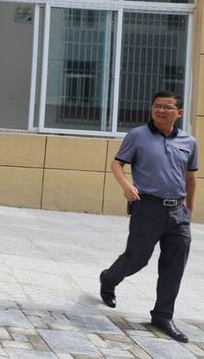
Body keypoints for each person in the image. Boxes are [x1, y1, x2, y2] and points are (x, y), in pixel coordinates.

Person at [100, 91, 197, 343]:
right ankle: (108, 279)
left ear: (179, 113)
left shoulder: (189, 141)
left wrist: (189, 209)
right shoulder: (138, 135)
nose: (160, 110)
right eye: (157, 106)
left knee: (174, 265)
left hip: (178, 212)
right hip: (147, 208)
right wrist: (126, 186)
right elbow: (117, 164)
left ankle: (162, 316)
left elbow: (190, 177)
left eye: (167, 107)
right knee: (137, 259)